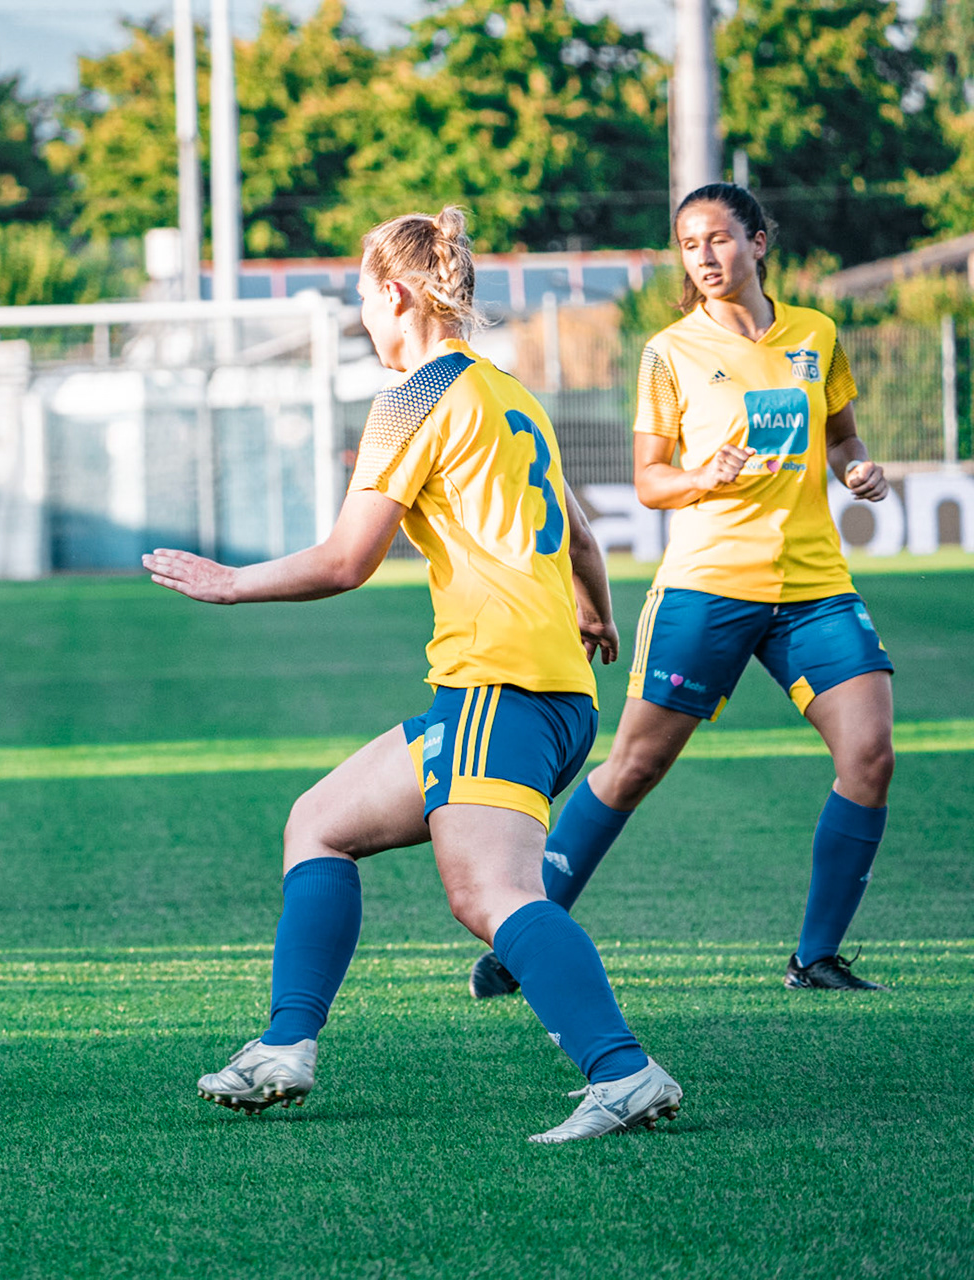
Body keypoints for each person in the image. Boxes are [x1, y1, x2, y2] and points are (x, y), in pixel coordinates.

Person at [146, 208, 681, 1143]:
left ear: (395, 292)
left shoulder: (413, 395)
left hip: (496, 684)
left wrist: (233, 585)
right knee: (319, 823)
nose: (360, 312)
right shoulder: (509, 393)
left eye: (361, 291)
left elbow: (347, 559)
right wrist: (593, 610)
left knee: (489, 895)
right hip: (545, 689)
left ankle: (623, 1069)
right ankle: (285, 1046)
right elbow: (583, 534)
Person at [467, 184, 896, 999]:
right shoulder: (670, 351)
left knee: (869, 757)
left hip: (815, 585)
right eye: (690, 244)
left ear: (759, 242)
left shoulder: (817, 335)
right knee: (632, 767)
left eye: (720, 239)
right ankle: (524, 930)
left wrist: (858, 470)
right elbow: (650, 480)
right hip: (709, 588)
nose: (704, 257)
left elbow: (841, 435)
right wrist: (703, 474)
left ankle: (816, 959)